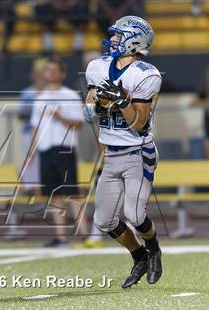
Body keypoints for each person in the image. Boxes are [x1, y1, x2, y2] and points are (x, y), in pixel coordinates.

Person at [83, 16, 162, 288]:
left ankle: (153, 248)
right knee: (104, 221)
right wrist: (103, 105)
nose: (113, 40)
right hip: (112, 154)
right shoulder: (98, 66)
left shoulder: (146, 73)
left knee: (136, 215)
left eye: (119, 36)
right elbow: (87, 112)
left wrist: (122, 101)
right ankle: (138, 255)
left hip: (137, 153)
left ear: (135, 41)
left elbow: (138, 124)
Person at [30, 56, 87, 247]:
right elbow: (35, 127)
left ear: (62, 74)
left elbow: (79, 123)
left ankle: (85, 234)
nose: (51, 73)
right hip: (46, 149)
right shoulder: (40, 98)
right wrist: (32, 152)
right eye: (49, 70)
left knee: (73, 193)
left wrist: (60, 117)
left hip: (64, 149)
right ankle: (61, 237)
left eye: (55, 70)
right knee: (54, 195)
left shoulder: (70, 96)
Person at [5, 58, 47, 238]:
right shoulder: (28, 92)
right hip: (30, 133)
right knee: (31, 167)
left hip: (47, 134)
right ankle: (33, 194)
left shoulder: (51, 93)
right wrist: (34, 109)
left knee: (44, 167)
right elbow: (22, 113)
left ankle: (41, 196)